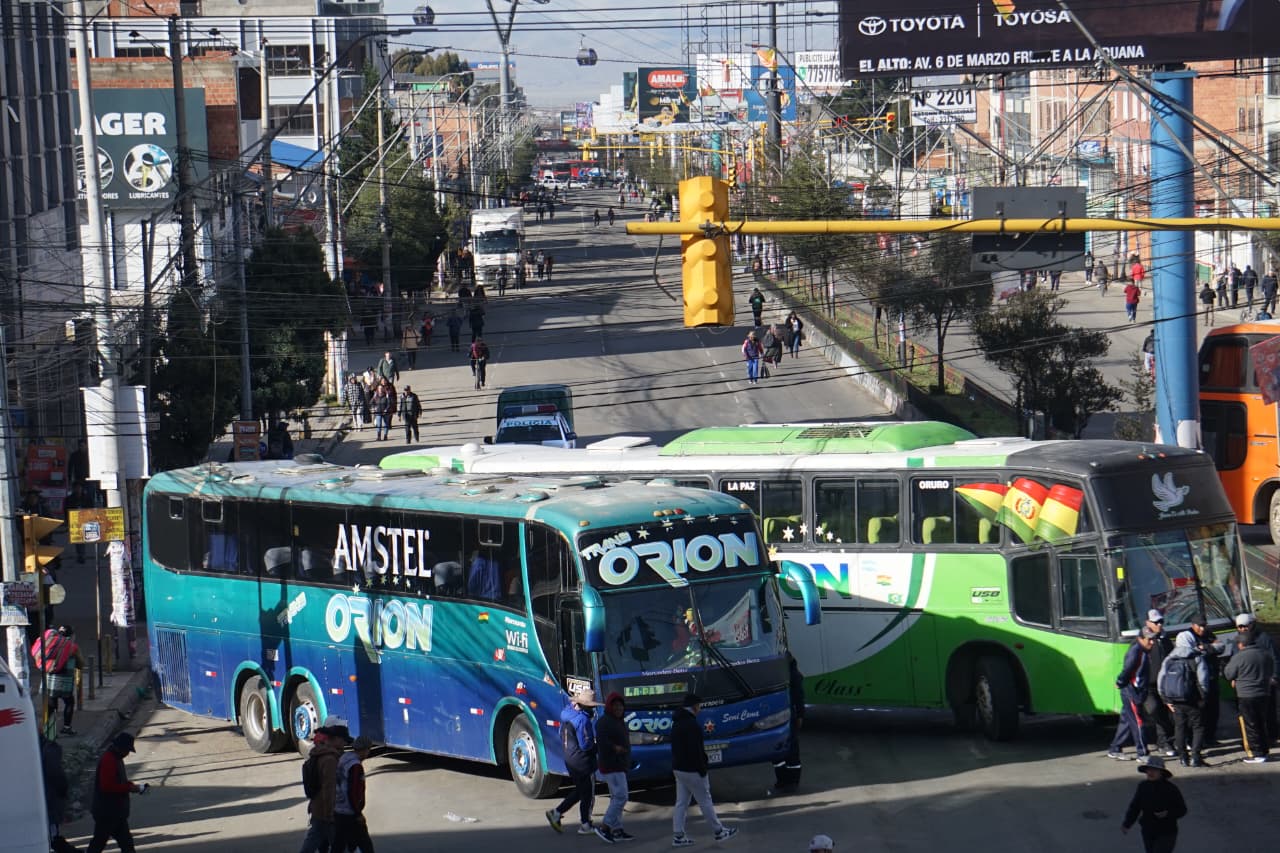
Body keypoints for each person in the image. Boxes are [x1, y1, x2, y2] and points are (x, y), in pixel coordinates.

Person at [670, 693, 737, 847]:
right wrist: (702, 769)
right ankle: (719, 831)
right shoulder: (692, 725)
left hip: (679, 769)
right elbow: (696, 751)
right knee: (705, 801)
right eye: (699, 706)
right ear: (694, 707)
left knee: (681, 803)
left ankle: (678, 835)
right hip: (693, 770)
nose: (699, 709)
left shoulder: (677, 723)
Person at [545, 688, 601, 837]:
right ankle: (585, 824)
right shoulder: (582, 720)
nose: (593, 709)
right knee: (587, 794)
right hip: (582, 761)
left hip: (569, 758)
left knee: (580, 791)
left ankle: (556, 813)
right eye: (592, 707)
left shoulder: (566, 714)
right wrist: (597, 745)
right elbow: (585, 745)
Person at [86, 732, 147, 853]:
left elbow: (116, 782)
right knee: (99, 843)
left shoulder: (115, 758)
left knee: (126, 844)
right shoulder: (109, 760)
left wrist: (130, 786)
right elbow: (107, 786)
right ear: (120, 748)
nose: (127, 754)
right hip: (107, 812)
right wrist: (129, 788)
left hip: (115, 812)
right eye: (127, 750)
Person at [1157, 630, 1210, 767]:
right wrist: (1203, 698)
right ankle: (1196, 757)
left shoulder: (1169, 659)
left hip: (1175, 700)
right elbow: (1203, 681)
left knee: (1179, 727)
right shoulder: (1197, 657)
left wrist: (1166, 700)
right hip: (1193, 700)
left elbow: (1161, 681)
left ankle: (1183, 758)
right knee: (1198, 727)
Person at [298, 716, 349, 853]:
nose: (345, 743)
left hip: (317, 809)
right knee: (338, 845)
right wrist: (330, 814)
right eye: (343, 739)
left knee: (316, 841)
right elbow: (329, 788)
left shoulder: (320, 755)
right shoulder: (330, 760)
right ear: (336, 739)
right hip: (327, 812)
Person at [1224, 626, 1275, 763]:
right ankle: (1264, 749)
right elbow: (1271, 669)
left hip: (1246, 694)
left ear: (1241, 644)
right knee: (1261, 722)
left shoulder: (1239, 657)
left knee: (1251, 724)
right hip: (1264, 693)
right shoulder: (1265, 654)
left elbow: (1229, 674)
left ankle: (1257, 753)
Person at [1109, 628, 1158, 760]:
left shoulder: (1143, 651)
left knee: (1126, 721)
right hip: (1132, 692)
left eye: (1153, 639)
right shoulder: (1136, 651)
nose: (1152, 642)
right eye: (1149, 639)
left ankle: (1115, 748)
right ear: (1141, 639)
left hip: (1136, 691)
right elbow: (1127, 670)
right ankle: (1142, 753)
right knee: (1138, 722)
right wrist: (1120, 682)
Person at [1121, 756, 1185, 853]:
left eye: (1155, 770)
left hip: (1166, 832)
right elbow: (1135, 806)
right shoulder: (1143, 786)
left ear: (1161, 773)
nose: (1151, 772)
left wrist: (1167, 813)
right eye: (1149, 769)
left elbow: (1182, 809)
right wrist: (1127, 824)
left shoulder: (1171, 789)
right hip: (1148, 829)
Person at [1232, 611, 1280, 743]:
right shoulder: (1237, 640)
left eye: (1245, 626)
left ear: (1252, 624)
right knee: (1249, 715)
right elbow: (1234, 661)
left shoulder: (1265, 639)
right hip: (1246, 685)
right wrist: (1234, 678)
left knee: (1269, 710)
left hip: (1265, 682)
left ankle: (1272, 735)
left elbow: (1275, 659)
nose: (1242, 629)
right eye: (1240, 627)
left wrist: (1274, 677)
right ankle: (1253, 739)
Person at [595, 692, 634, 842]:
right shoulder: (604, 722)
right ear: (610, 706)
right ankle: (605, 827)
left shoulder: (619, 721)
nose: (619, 708)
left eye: (620, 706)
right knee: (621, 796)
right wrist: (615, 748)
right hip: (612, 765)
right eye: (615, 706)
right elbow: (603, 743)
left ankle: (617, 830)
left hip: (619, 765)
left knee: (616, 798)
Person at [769, 655, 805, 796]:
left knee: (782, 748)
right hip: (788, 714)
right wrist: (800, 714)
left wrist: (800, 714)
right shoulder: (791, 673)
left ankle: (785, 780)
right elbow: (799, 696)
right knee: (791, 748)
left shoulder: (783, 674)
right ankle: (791, 780)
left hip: (782, 714)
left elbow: (798, 696)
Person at [1142, 610, 1177, 758]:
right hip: (1148, 685)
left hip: (1165, 684)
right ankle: (1163, 742)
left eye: (1161, 621)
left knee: (1170, 712)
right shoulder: (1142, 639)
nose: (1160, 625)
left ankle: (1166, 742)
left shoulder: (1164, 638)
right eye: (1156, 622)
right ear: (1148, 623)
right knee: (1155, 710)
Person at [333, 735, 375, 853]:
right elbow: (353, 792)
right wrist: (358, 814)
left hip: (339, 808)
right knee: (365, 845)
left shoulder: (345, 758)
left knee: (340, 843)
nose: (368, 753)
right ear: (365, 749)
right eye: (368, 750)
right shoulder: (356, 766)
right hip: (350, 812)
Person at [1188, 615, 1226, 745]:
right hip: (1197, 681)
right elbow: (1190, 652)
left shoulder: (1209, 634)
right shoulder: (1188, 636)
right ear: (1193, 625)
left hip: (1212, 677)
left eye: (1204, 625)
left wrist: (1205, 647)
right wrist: (1210, 648)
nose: (1203, 628)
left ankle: (1210, 736)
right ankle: (1199, 739)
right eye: (1200, 626)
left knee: (1213, 709)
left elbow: (1221, 647)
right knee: (1200, 711)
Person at [41, 732, 70, 850]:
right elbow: (57, 776)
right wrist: (63, 790)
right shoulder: (49, 750)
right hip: (50, 799)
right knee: (53, 837)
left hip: (45, 798)